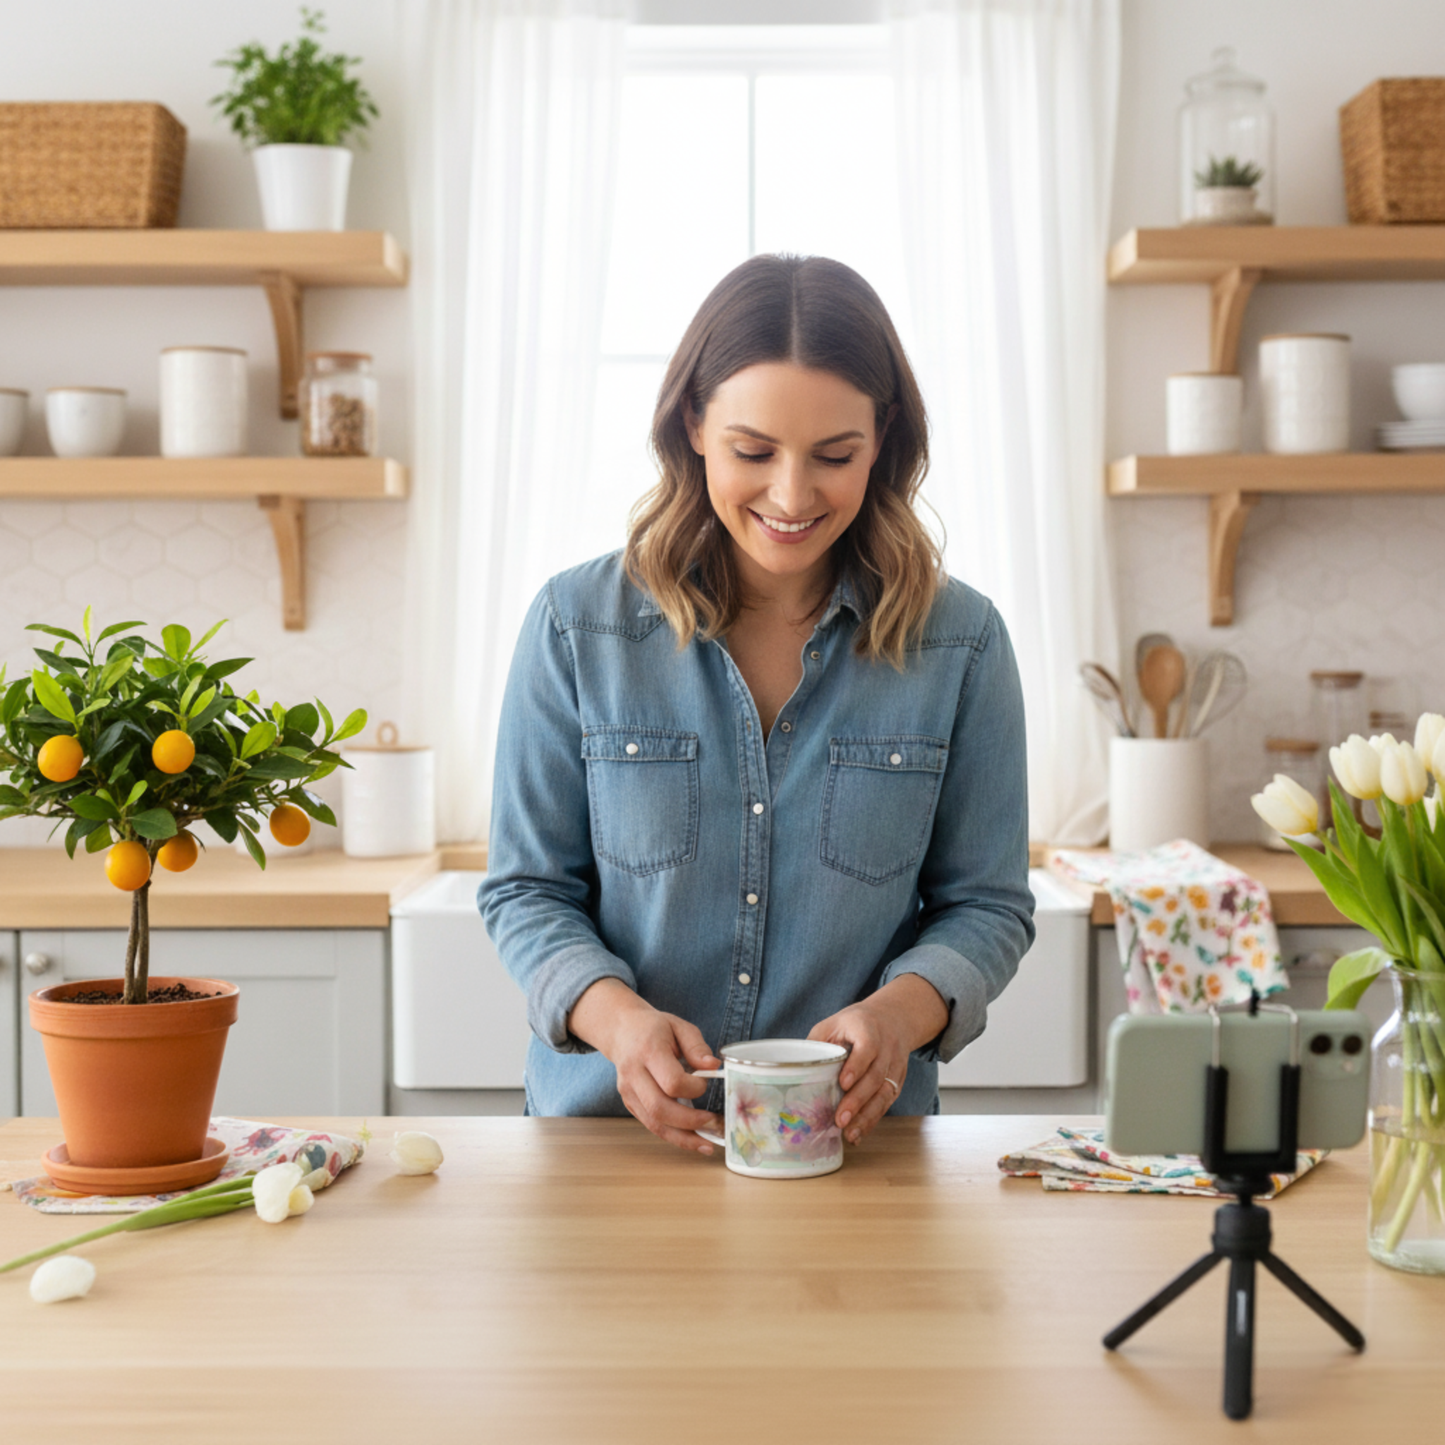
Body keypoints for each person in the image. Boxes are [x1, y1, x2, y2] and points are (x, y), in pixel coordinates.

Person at [480, 254, 1034, 1154]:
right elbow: (528, 888)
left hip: (856, 1155)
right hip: (607, 1148)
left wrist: (903, 1010)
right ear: (692, 423)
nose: (789, 494)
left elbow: (987, 903)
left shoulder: (960, 643)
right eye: (752, 451)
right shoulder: (575, 627)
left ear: (883, 438)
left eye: (833, 456)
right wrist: (619, 1023)